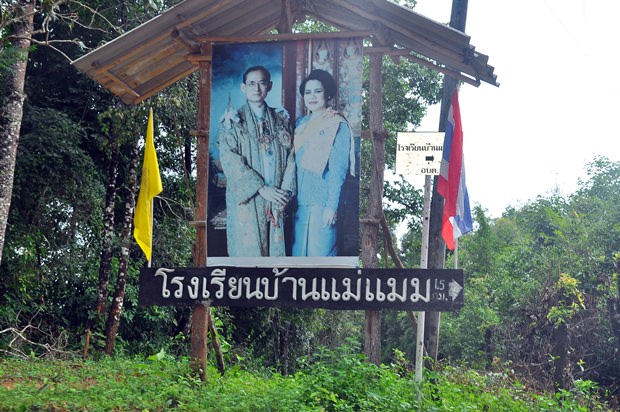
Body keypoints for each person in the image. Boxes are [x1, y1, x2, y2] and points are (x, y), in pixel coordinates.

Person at [218, 66, 296, 257]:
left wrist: (283, 194)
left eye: (262, 83)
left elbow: (292, 157)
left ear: (269, 86)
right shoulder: (232, 122)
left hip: (277, 198)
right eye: (251, 83)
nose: (257, 88)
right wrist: (261, 188)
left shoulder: (281, 120)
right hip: (250, 198)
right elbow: (230, 160)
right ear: (243, 87)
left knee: (278, 264)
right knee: (249, 259)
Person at [292, 69, 355, 256]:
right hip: (300, 203)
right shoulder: (300, 124)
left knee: (321, 260)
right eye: (308, 92)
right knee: (298, 259)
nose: (312, 97)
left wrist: (331, 207)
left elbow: (338, 170)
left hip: (323, 203)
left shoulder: (337, 124)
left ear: (327, 93)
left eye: (317, 91)